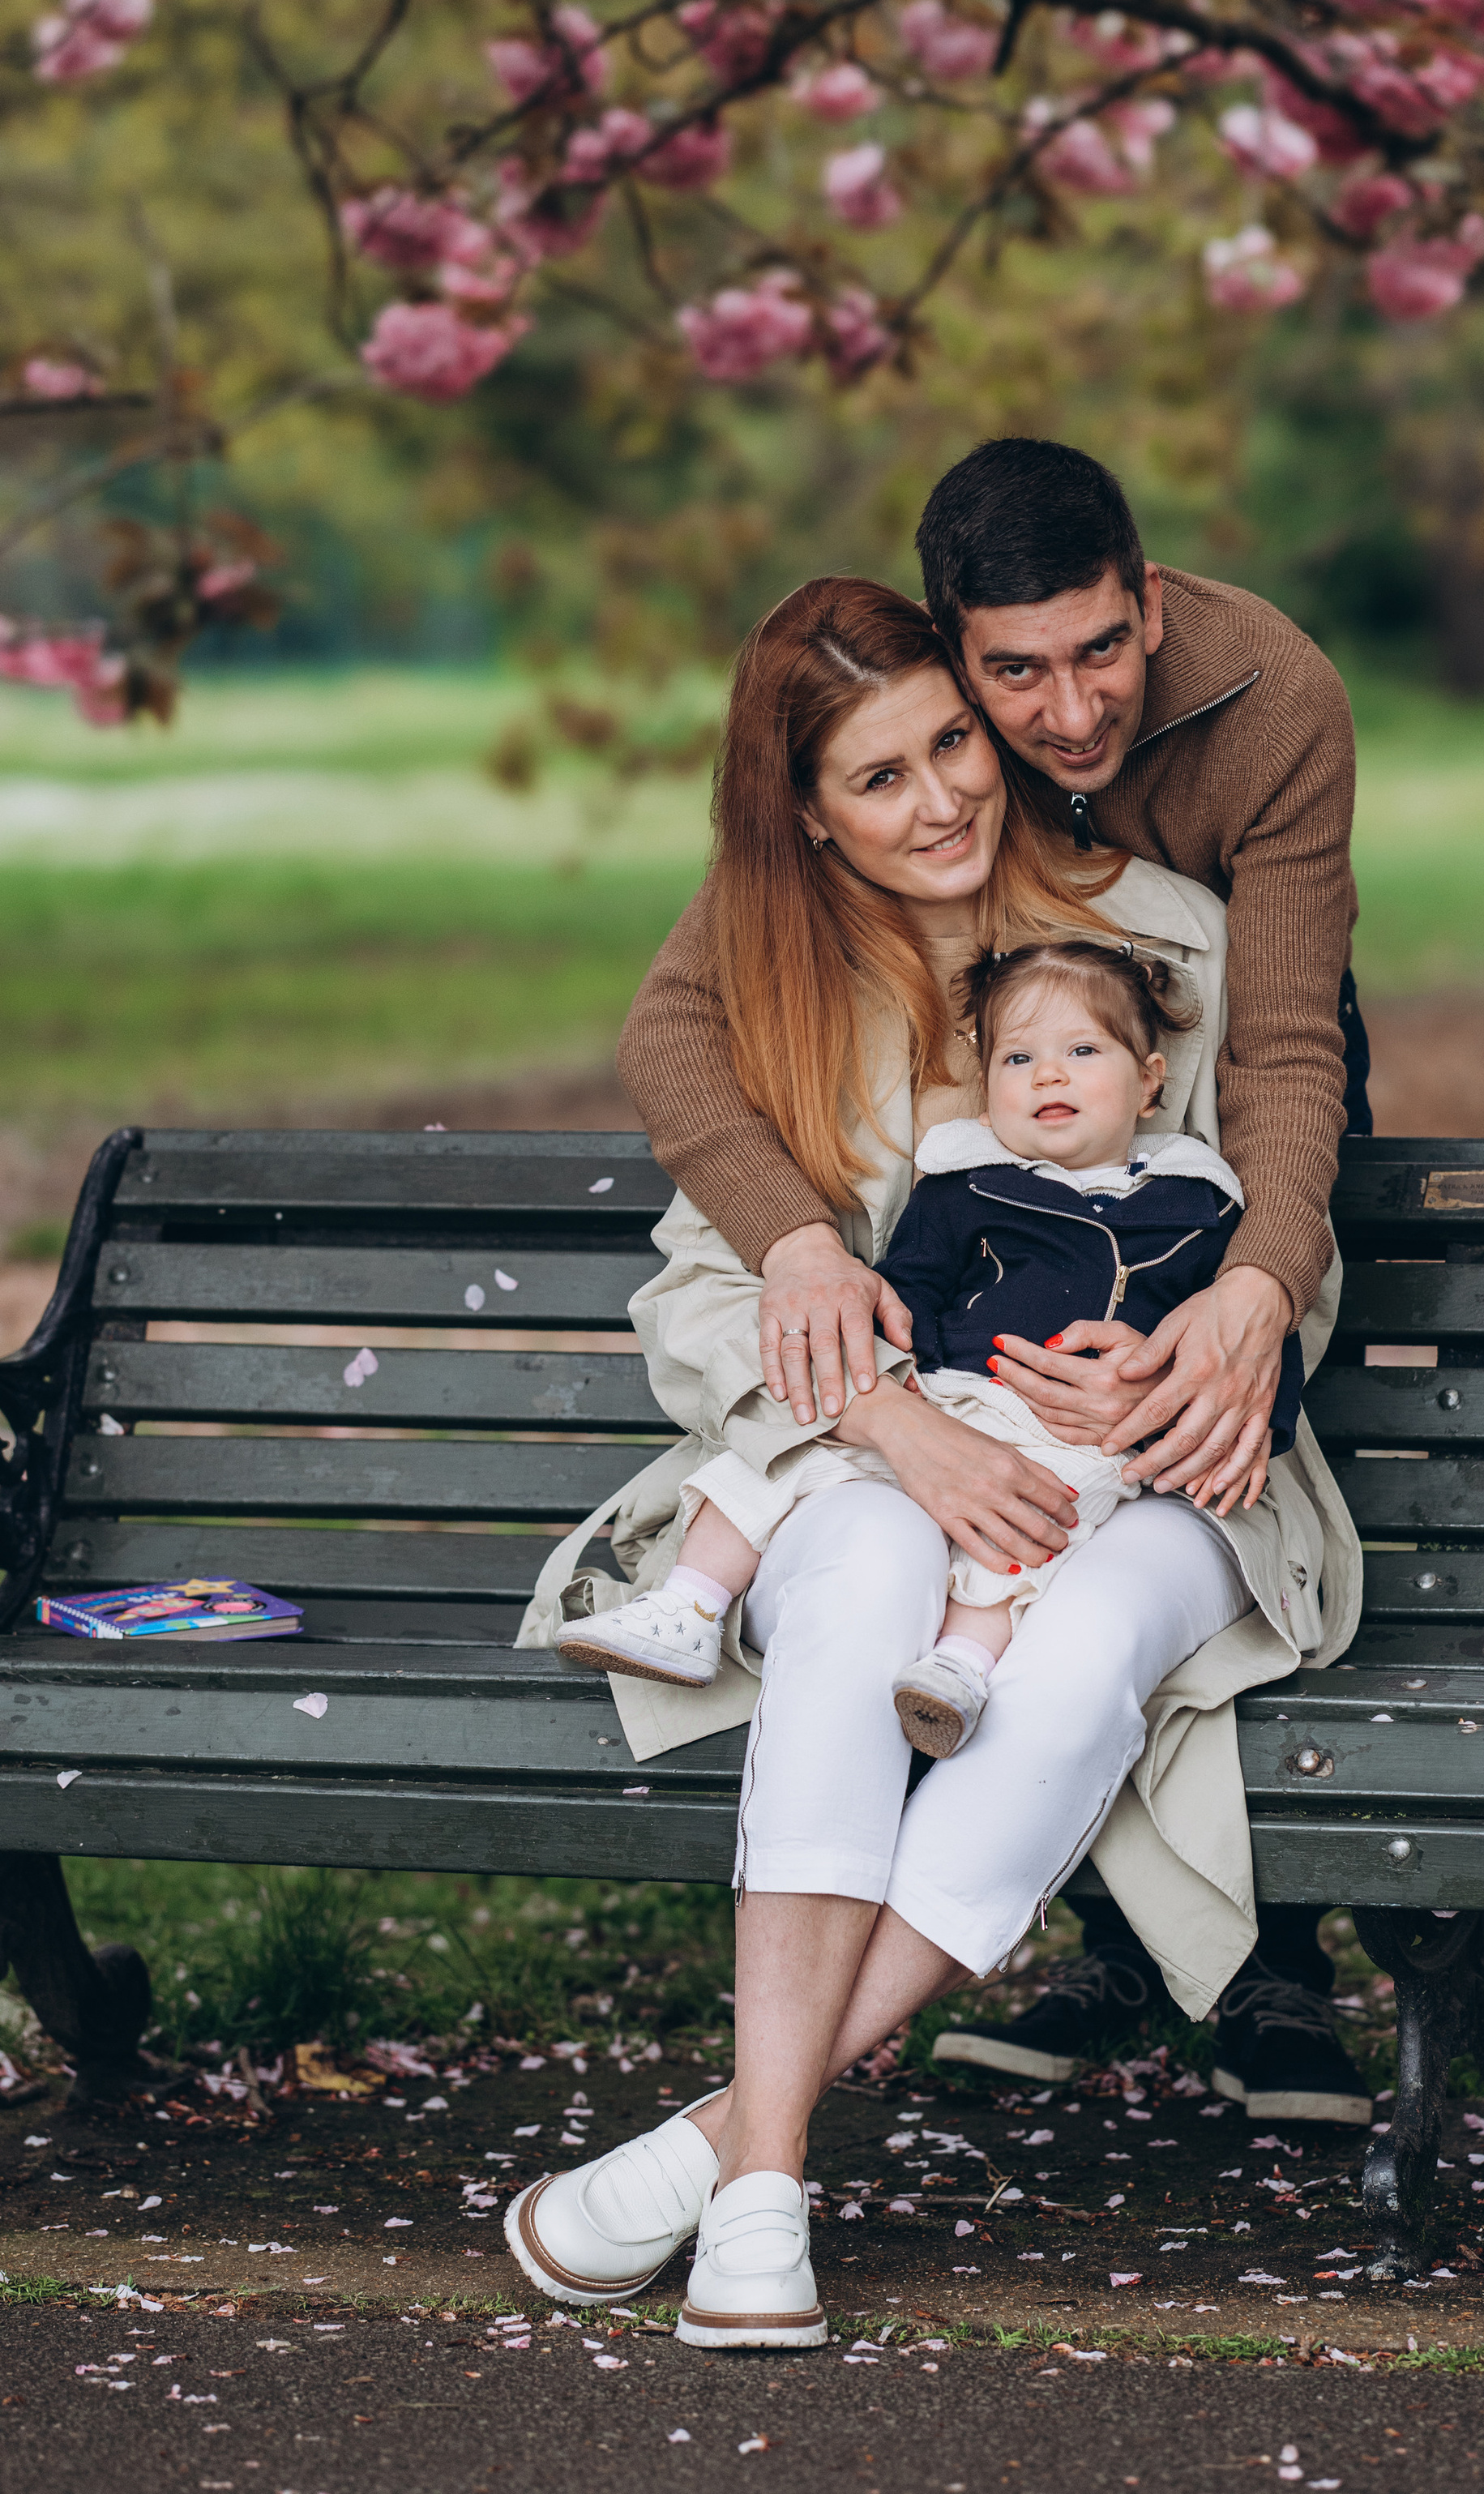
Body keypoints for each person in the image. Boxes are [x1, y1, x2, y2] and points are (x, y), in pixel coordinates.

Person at [508, 578, 1361, 2347]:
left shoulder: (1164, 941)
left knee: (1077, 1661)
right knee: (865, 1588)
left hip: (1165, 1467)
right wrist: (879, 1406)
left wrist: (1199, 1344)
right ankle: (759, 2206)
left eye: (951, 743)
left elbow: (1286, 1204)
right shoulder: (782, 986)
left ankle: (732, 2145)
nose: (944, 798)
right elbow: (697, 1292)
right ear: (806, 809)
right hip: (865, 1461)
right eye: (878, 777)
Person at [555, 935, 1305, 1756]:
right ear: (987, 1097)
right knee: (785, 1464)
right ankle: (688, 1606)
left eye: (1082, 1050)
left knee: (1042, 1527)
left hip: (1071, 1432)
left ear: (1149, 1082)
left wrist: (1233, 1431)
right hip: (942, 1393)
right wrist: (886, 1387)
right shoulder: (967, 1183)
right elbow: (904, 1290)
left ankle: (958, 1666)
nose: (1048, 1074)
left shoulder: (1199, 1206)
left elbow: (1247, 1359)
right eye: (1019, 1057)